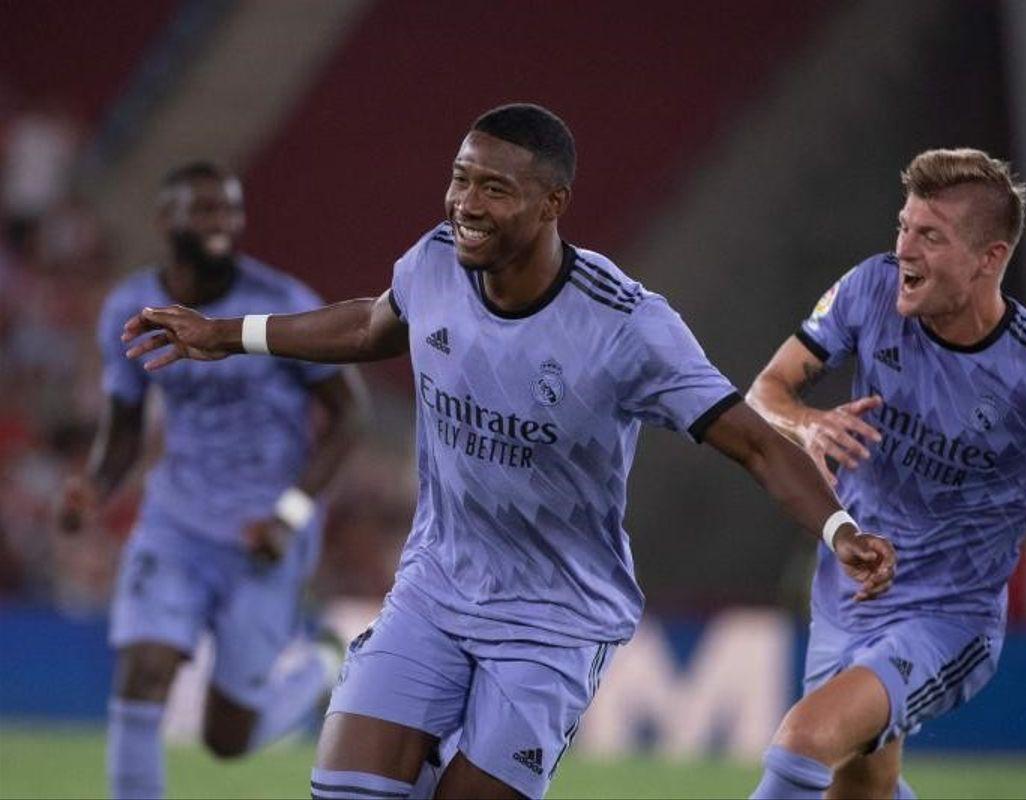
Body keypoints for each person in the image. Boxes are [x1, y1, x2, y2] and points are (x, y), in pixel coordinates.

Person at [120, 104, 897, 800]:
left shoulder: (627, 327)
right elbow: (368, 326)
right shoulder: (433, 262)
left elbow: (757, 444)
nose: (465, 203)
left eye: (494, 188)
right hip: (435, 591)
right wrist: (227, 335)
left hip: (554, 621)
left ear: (552, 203)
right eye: (461, 179)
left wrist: (839, 532)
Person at [745, 148, 1026, 799]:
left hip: (945, 618)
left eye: (930, 236)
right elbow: (767, 390)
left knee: (803, 739)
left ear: (990, 259)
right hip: (847, 590)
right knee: (862, 788)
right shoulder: (869, 291)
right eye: (903, 226)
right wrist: (808, 423)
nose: (905, 249)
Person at [58, 161, 366, 800]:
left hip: (263, 536)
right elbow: (123, 427)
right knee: (141, 676)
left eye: (228, 209)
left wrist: (290, 513)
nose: (221, 223)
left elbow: (349, 412)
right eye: (203, 210)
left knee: (226, 740)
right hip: (175, 524)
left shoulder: (282, 304)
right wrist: (95, 486)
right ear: (164, 220)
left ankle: (318, 671)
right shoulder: (130, 308)